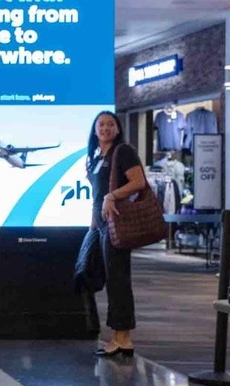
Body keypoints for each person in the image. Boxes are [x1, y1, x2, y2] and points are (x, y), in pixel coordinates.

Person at [84, 110, 147, 359]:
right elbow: (96, 194)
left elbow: (138, 182)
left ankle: (123, 338)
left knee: (118, 279)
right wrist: (92, 224)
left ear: (118, 128)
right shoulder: (97, 155)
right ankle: (118, 336)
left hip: (116, 224)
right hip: (100, 225)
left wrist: (113, 196)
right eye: (101, 124)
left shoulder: (123, 152)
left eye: (110, 124)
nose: (106, 128)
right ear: (94, 130)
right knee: (109, 278)